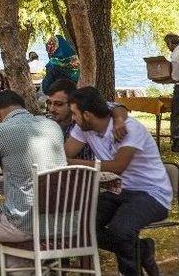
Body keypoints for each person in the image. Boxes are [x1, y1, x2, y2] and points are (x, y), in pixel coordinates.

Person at [65, 87, 172, 276]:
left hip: (152, 193)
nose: (72, 118)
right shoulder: (84, 129)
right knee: (80, 226)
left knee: (120, 231)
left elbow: (118, 165)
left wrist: (73, 163)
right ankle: (141, 249)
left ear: (87, 114)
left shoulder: (130, 129)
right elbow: (64, 154)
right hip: (120, 191)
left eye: (74, 114)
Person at [0, 90, 67, 273]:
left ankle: (24, 270)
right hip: (61, 219)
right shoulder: (52, 126)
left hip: (25, 220)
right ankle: (33, 269)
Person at [46, 78, 130, 160]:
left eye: (58, 104)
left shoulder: (84, 119)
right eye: (49, 103)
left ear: (71, 103)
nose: (52, 109)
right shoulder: (46, 124)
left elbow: (114, 106)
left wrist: (118, 120)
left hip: (90, 170)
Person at [165, 33, 179, 152]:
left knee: (176, 114)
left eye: (167, 44)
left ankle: (176, 142)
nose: (167, 47)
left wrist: (164, 78)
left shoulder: (176, 54)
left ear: (170, 42)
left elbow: (175, 75)